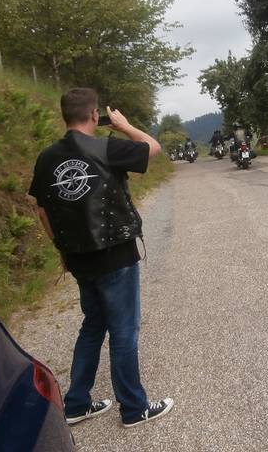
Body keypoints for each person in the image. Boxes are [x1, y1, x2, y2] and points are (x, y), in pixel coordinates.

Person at [28, 87, 174, 428]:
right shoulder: (106, 148)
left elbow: (42, 209)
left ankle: (76, 405)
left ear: (65, 116)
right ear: (95, 115)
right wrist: (124, 126)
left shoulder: (46, 158)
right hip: (116, 255)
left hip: (78, 258)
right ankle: (134, 409)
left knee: (93, 326)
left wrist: (61, 249)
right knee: (124, 332)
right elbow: (152, 147)